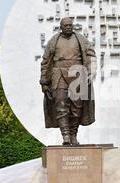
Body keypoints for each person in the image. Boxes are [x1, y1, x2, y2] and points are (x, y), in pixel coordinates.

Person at [40, 17, 96, 145]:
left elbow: (91, 55)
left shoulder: (80, 39)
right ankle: (65, 135)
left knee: (77, 107)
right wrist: (44, 82)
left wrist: (90, 72)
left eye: (70, 25)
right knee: (60, 103)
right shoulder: (53, 41)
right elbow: (45, 61)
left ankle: (73, 134)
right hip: (58, 74)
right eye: (66, 25)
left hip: (78, 73)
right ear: (61, 27)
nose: (69, 27)